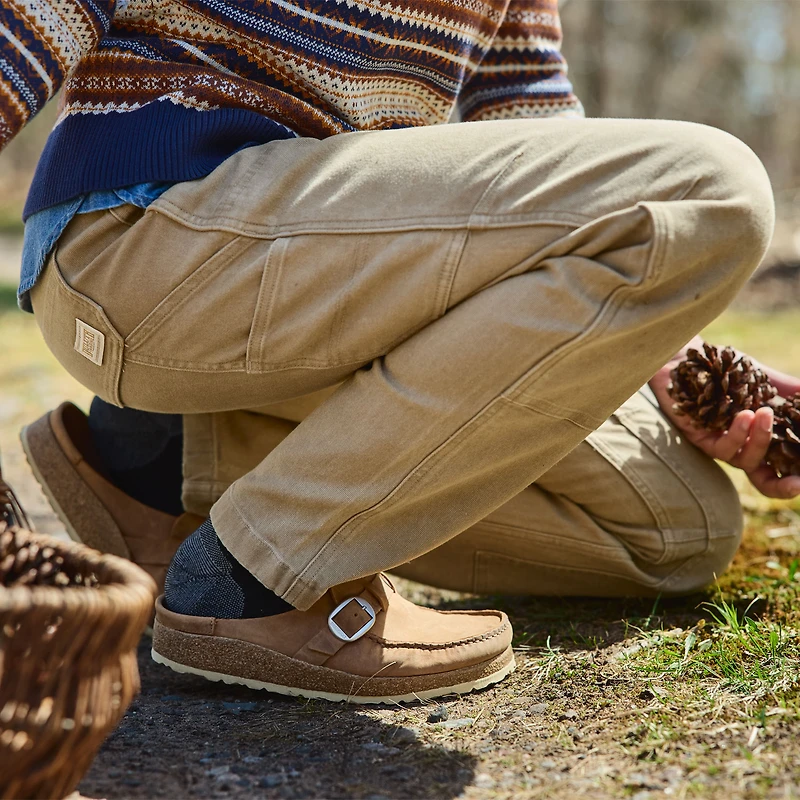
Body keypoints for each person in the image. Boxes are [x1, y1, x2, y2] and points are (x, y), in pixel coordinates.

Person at [1, 0, 782, 703]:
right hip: (148, 241)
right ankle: (254, 581)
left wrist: (670, 358)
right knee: (709, 190)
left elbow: (533, 136)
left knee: (675, 527)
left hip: (318, 280)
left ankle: (161, 465)